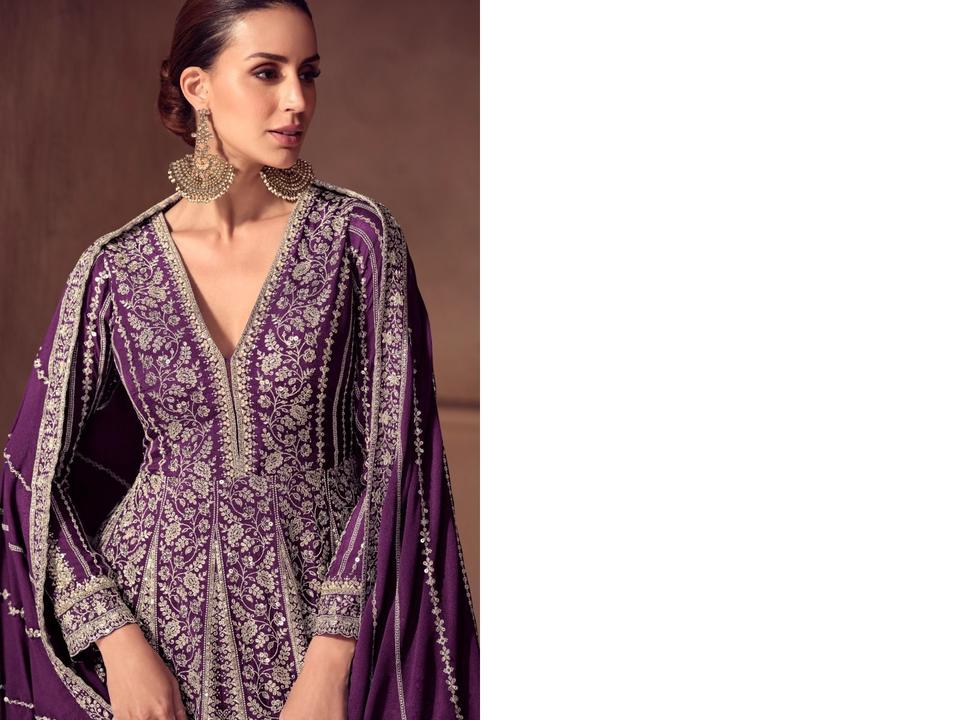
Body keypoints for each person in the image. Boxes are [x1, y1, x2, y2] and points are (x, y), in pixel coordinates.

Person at [0, 1, 479, 718]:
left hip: (321, 627)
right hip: (150, 640)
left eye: (308, 73)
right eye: (266, 72)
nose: (297, 100)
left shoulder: (356, 242)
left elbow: (395, 461)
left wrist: (330, 665)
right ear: (197, 87)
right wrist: (118, 644)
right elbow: (34, 480)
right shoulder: (115, 269)